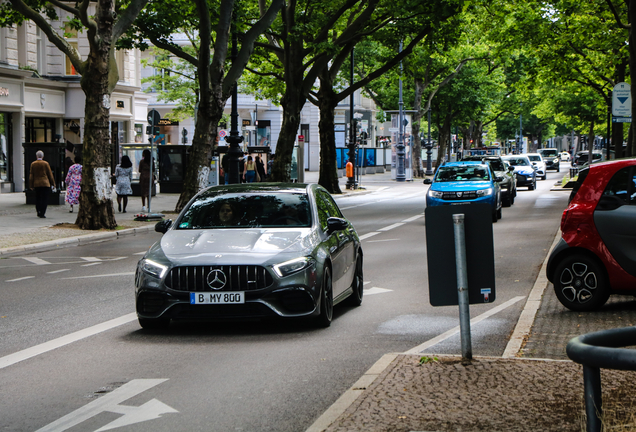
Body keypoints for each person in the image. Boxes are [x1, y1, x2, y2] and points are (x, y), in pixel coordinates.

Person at [29, 150, 55, 218]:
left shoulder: (33, 164)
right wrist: (53, 183)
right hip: (45, 183)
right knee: (44, 198)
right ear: (43, 156)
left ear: (36, 156)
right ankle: (43, 213)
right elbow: (50, 174)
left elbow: (31, 175)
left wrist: (31, 185)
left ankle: (38, 211)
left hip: (37, 183)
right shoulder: (46, 163)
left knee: (38, 198)